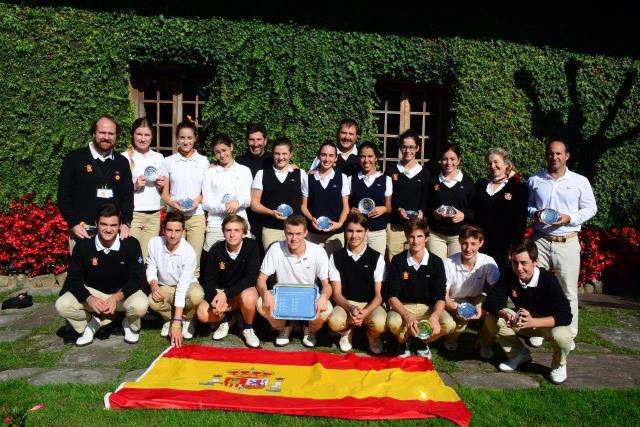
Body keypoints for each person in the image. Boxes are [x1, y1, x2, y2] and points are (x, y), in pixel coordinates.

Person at [527, 138, 597, 345]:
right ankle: (537, 329)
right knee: (535, 285)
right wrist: (535, 212)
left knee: (567, 289)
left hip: (567, 240)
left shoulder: (579, 181)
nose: (554, 157)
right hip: (540, 239)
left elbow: (590, 208)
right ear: (546, 155)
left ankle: (569, 332)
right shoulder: (535, 180)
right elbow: (528, 205)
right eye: (551, 153)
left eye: (558, 153)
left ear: (567, 156)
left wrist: (570, 218)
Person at [55, 203, 148, 346]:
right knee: (62, 304)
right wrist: (89, 298)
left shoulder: (131, 244)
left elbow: (138, 278)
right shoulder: (83, 245)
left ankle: (128, 323)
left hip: (121, 295)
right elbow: (73, 279)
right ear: (96, 224)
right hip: (94, 294)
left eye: (113, 225)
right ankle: (90, 324)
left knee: (140, 305)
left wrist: (117, 297)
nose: (108, 229)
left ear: (120, 225)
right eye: (104, 224)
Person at [483, 239, 574, 384]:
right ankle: (518, 353)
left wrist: (534, 321)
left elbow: (565, 315)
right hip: (524, 321)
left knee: (563, 337)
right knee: (492, 319)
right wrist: (504, 313)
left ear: (535, 261)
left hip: (546, 323)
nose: (519, 268)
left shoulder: (548, 279)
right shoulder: (509, 273)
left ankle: (559, 364)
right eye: (515, 262)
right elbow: (491, 301)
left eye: (524, 263)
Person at [58, 115, 134, 252]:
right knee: (82, 272)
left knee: (111, 272)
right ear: (94, 133)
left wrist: (126, 223)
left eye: (111, 133)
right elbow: (63, 194)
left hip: (112, 233)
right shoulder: (75, 158)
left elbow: (128, 195)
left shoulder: (122, 162)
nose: (106, 137)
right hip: (83, 232)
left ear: (116, 136)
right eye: (102, 132)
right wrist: (73, 223)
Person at [256, 215, 333, 347]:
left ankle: (309, 328)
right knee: (260, 303)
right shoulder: (275, 248)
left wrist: (324, 297)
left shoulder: (318, 251)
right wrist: (265, 293)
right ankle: (285, 326)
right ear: (284, 233)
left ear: (305, 233)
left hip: (308, 297)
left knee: (327, 309)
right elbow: (261, 281)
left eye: (298, 234)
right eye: (290, 234)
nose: (294, 238)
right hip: (284, 297)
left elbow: (327, 285)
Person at [386, 218, 455, 359]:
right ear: (406, 237)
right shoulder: (398, 260)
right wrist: (406, 315)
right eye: (411, 236)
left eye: (419, 236)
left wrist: (435, 316)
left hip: (427, 308)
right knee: (393, 322)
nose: (415, 241)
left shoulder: (436, 262)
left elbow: (441, 296)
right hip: (403, 307)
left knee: (448, 324)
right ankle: (403, 342)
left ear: (427, 238)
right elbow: (392, 296)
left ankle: (421, 341)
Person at [197, 215, 261, 348]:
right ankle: (227, 319)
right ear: (223, 232)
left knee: (249, 296)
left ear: (244, 233)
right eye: (228, 230)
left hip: (242, 291)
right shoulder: (215, 250)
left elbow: (251, 278)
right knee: (202, 314)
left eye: (237, 230)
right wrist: (214, 299)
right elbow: (208, 280)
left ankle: (248, 327)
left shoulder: (252, 246)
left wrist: (226, 294)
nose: (232, 234)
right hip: (222, 292)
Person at [327, 213, 386, 354]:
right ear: (345, 232)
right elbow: (336, 294)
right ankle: (346, 332)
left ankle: (372, 336)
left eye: (359, 231)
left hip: (370, 304)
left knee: (381, 323)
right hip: (346, 303)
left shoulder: (377, 258)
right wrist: (351, 308)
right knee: (334, 321)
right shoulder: (336, 257)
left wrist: (365, 312)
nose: (354, 235)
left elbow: (379, 295)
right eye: (350, 231)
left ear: (366, 232)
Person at [146, 211, 205, 347]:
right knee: (152, 299)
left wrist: (177, 325)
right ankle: (169, 319)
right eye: (169, 230)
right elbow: (151, 266)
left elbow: (182, 286)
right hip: (165, 286)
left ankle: (187, 320)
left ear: (183, 231)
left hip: (187, 285)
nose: (173, 235)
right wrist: (154, 286)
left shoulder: (189, 252)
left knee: (197, 295)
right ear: (163, 229)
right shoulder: (154, 243)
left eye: (177, 231)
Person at [159, 119, 210, 278]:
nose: (185, 141)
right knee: (174, 257)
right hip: (175, 217)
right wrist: (172, 203)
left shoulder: (204, 162)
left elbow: (206, 191)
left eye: (189, 138)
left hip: (196, 217)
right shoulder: (168, 162)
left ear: (195, 138)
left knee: (193, 258)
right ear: (177, 139)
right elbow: (164, 194)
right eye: (182, 138)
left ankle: (192, 296)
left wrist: (198, 200)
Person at [442, 225, 499, 355]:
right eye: (465, 244)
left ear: (481, 243)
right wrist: (456, 308)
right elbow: (443, 295)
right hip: (454, 299)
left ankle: (484, 341)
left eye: (473, 244)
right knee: (459, 319)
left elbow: (497, 290)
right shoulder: (448, 263)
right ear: (460, 242)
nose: (469, 249)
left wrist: (480, 305)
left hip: (477, 298)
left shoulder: (488, 261)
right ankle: (452, 338)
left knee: (495, 312)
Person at [473, 147, 528, 268]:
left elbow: (520, 221)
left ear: (506, 164)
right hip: (481, 245)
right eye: (489, 163)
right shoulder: (480, 184)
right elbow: (474, 213)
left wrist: (515, 248)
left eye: (496, 162)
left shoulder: (518, 188)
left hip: (504, 248)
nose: (492, 166)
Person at [251, 137, 308, 251]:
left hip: (295, 230)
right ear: (272, 154)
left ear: (290, 154)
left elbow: (306, 202)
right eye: (277, 154)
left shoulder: (300, 174)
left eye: (284, 154)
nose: (281, 157)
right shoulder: (262, 174)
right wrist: (271, 212)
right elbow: (254, 204)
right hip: (271, 230)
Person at [121, 118, 165, 262]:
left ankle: (143, 283)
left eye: (147, 135)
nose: (143, 138)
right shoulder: (124, 157)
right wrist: (134, 185)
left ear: (152, 137)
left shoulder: (159, 157)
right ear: (132, 135)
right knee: (130, 252)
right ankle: (130, 283)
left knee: (148, 255)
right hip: (134, 213)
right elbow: (118, 188)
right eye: (139, 134)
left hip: (154, 213)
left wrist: (160, 185)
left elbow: (163, 189)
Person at [201, 134, 253, 251]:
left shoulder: (244, 170)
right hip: (216, 225)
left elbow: (248, 199)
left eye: (224, 150)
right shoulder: (210, 173)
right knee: (214, 262)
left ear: (231, 147)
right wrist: (224, 207)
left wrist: (237, 202)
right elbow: (205, 203)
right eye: (217, 152)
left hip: (240, 223)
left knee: (242, 261)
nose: (222, 155)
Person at [385, 129, 430, 262]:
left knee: (415, 262)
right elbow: (387, 197)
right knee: (395, 263)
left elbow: (426, 198)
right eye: (404, 147)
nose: (408, 150)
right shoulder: (391, 170)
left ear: (417, 148)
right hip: (395, 227)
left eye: (411, 147)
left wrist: (422, 212)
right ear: (400, 148)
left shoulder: (425, 173)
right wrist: (398, 209)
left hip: (416, 229)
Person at [426, 144, 475, 259]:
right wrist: (434, 214)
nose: (448, 162)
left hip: (459, 235)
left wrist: (464, 215)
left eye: (452, 159)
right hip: (436, 235)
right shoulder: (433, 182)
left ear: (459, 160)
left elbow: (475, 209)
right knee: (438, 269)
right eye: (445, 159)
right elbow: (426, 206)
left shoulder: (468, 183)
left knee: (456, 269)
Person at [301, 141, 350, 255]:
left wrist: (340, 224)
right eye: (324, 155)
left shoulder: (342, 178)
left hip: (335, 234)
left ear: (336, 158)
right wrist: (311, 219)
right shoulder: (308, 178)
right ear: (319, 156)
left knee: (334, 270)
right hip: (313, 234)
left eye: (331, 155)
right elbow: (303, 206)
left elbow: (345, 207)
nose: (327, 159)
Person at [347, 142, 392, 256]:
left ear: (376, 157)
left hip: (378, 232)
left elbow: (389, 208)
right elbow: (345, 206)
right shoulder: (351, 179)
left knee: (377, 266)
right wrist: (350, 211)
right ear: (359, 158)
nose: (366, 160)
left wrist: (383, 209)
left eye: (370, 156)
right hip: (356, 232)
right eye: (362, 156)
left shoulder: (386, 180)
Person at [236, 123, 273, 249]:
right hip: (247, 215)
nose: (255, 143)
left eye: (259, 139)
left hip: (268, 215)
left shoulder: (273, 160)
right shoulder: (239, 161)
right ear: (247, 141)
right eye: (252, 139)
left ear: (265, 141)